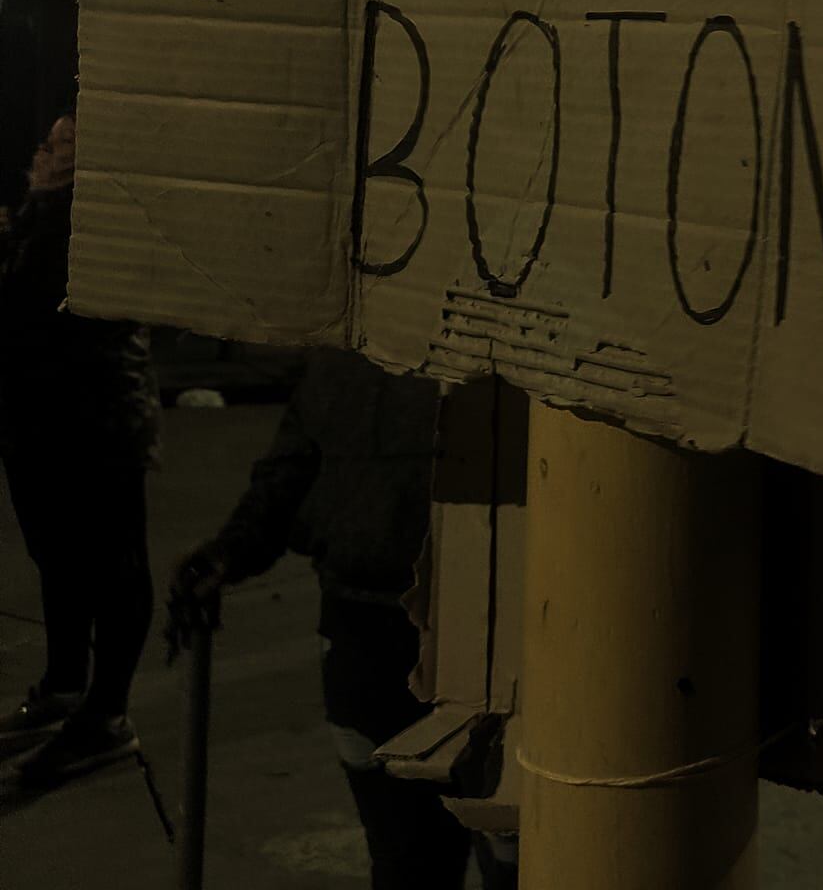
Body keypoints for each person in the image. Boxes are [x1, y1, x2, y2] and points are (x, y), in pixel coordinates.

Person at [163, 351, 512, 889]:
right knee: (426, 855)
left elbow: (293, 468)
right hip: (378, 636)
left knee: (488, 853)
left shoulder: (360, 344)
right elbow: (297, 466)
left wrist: (233, 549)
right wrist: (230, 551)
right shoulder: (351, 350)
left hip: (470, 635)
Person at [0, 113, 159, 790]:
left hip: (93, 425)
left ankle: (105, 714)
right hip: (37, 421)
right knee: (59, 560)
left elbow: (28, 307)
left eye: (60, 142)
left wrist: (26, 224)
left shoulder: (91, 222)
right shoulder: (42, 218)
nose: (45, 143)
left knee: (111, 567)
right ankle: (67, 685)